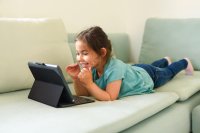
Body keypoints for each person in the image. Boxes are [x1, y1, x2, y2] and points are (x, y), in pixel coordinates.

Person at [66, 26, 194, 101]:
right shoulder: (92, 67)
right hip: (134, 69)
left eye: (84, 53)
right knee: (153, 65)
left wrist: (88, 83)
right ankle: (165, 60)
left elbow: (110, 97)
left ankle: (184, 62)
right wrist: (76, 78)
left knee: (167, 72)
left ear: (102, 52)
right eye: (77, 53)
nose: (79, 58)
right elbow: (83, 94)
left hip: (148, 76)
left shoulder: (114, 68)